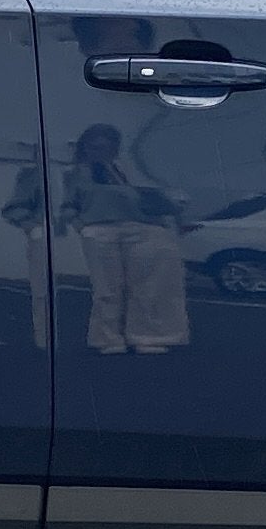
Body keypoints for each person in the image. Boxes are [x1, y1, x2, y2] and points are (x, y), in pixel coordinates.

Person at [64, 122, 189, 355]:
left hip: (141, 227)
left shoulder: (129, 170)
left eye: (106, 147)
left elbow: (155, 197)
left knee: (148, 285)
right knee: (106, 288)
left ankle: (148, 337)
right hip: (99, 229)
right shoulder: (75, 173)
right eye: (95, 147)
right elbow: (69, 204)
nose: (100, 152)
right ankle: (107, 338)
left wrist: (173, 215)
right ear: (85, 148)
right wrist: (80, 226)